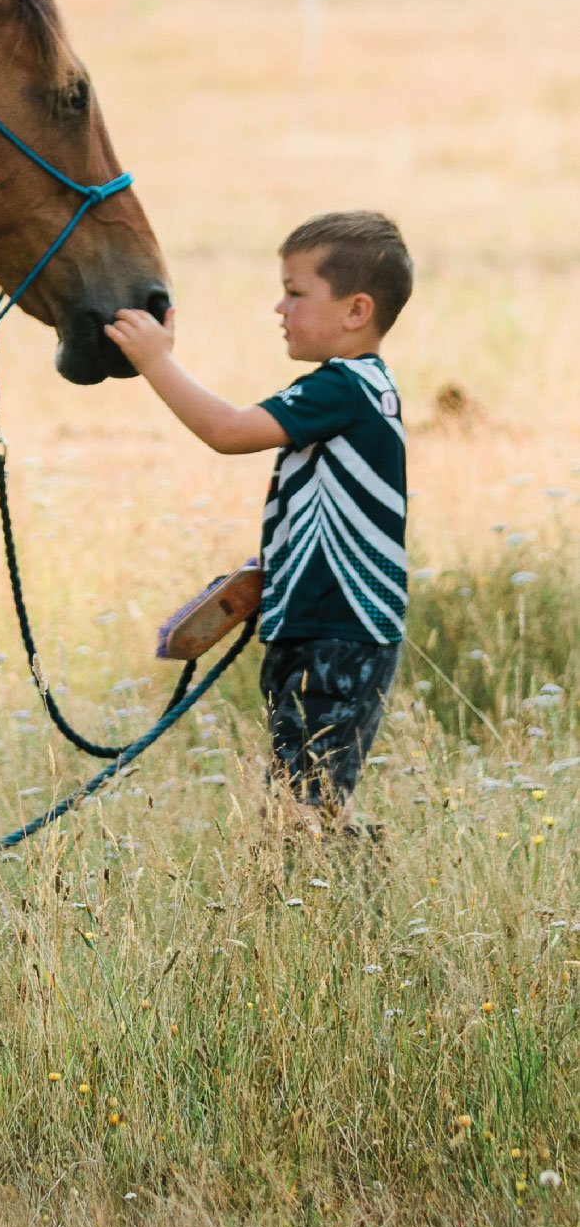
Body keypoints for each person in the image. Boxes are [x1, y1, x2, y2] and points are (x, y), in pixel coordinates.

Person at [106, 211, 412, 820]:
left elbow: (226, 431)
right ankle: (329, 892)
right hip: (328, 629)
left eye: (296, 294)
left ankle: (336, 899)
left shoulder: (343, 388)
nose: (279, 308)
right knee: (303, 800)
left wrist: (154, 361)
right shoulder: (358, 388)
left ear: (356, 312)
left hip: (337, 635)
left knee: (306, 807)